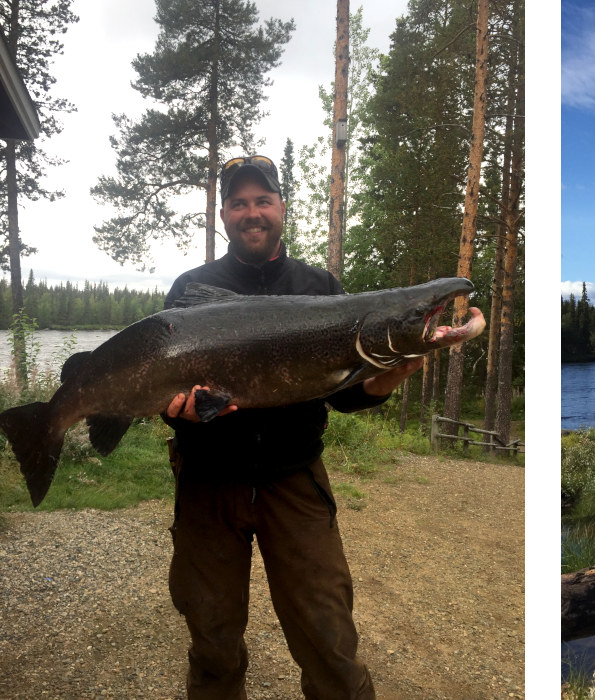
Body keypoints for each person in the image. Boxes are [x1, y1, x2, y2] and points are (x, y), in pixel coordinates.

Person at [160, 155, 420, 699]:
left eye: (262, 201)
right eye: (238, 203)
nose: (251, 213)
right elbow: (165, 386)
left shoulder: (320, 287)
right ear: (224, 215)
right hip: (208, 480)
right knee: (212, 637)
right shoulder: (190, 290)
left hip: (294, 479)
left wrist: (388, 378)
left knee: (329, 637)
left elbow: (346, 394)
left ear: (281, 208)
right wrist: (171, 409)